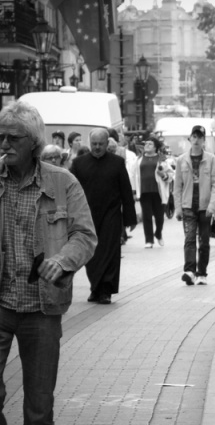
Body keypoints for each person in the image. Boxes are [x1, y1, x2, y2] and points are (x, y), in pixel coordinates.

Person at [0, 101, 97, 425]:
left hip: (42, 308)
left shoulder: (63, 182)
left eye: (12, 138)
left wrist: (62, 261)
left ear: (33, 141)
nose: (3, 145)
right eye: (0, 136)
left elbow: (85, 236)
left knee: (39, 407)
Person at [70, 128, 137, 304]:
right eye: (94, 144)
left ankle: (106, 290)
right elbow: (71, 192)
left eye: (101, 144)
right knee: (91, 255)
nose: (97, 147)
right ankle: (95, 288)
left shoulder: (117, 163)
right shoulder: (79, 164)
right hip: (87, 216)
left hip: (111, 215)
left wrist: (130, 217)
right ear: (89, 143)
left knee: (109, 253)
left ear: (107, 144)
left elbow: (125, 191)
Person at [174, 125, 215, 285]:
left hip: (205, 207)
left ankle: (202, 273)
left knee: (204, 241)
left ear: (203, 141)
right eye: (194, 137)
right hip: (188, 206)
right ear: (189, 139)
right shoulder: (181, 160)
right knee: (189, 239)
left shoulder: (211, 159)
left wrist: (212, 206)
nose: (196, 140)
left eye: (200, 137)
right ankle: (189, 271)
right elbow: (177, 186)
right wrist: (178, 208)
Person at [132, 136, 174, 248]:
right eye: (146, 143)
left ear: (156, 147)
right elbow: (133, 175)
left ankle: (158, 233)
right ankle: (149, 240)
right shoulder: (139, 160)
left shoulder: (162, 160)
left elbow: (171, 175)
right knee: (146, 216)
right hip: (144, 191)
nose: (147, 145)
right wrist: (134, 191)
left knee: (159, 217)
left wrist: (164, 175)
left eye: (150, 144)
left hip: (158, 192)